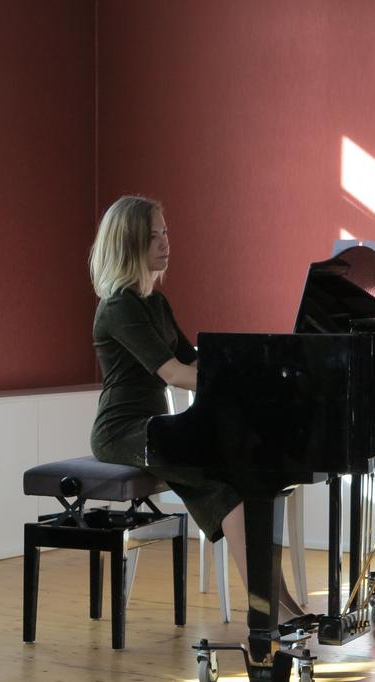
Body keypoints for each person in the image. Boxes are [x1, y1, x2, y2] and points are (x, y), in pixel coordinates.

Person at [88, 195, 306, 623]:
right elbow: (174, 374)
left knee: (241, 486)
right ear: (129, 244)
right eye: (152, 236)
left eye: (164, 232)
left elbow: (194, 360)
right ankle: (267, 610)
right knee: (232, 489)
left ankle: (279, 605)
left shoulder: (153, 302)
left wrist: (254, 363)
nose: (164, 242)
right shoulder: (119, 307)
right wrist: (245, 382)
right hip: (122, 431)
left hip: (156, 426)